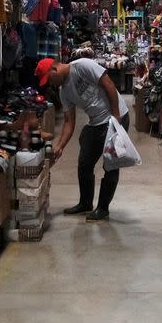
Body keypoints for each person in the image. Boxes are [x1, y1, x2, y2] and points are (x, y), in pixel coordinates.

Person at [35, 57, 130, 222]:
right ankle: (85, 203)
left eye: (49, 79)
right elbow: (69, 122)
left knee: (111, 164)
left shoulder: (82, 66)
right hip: (95, 123)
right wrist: (60, 147)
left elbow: (109, 85)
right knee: (84, 163)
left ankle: (103, 208)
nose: (51, 84)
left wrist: (115, 117)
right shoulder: (63, 92)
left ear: (54, 69)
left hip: (117, 116)